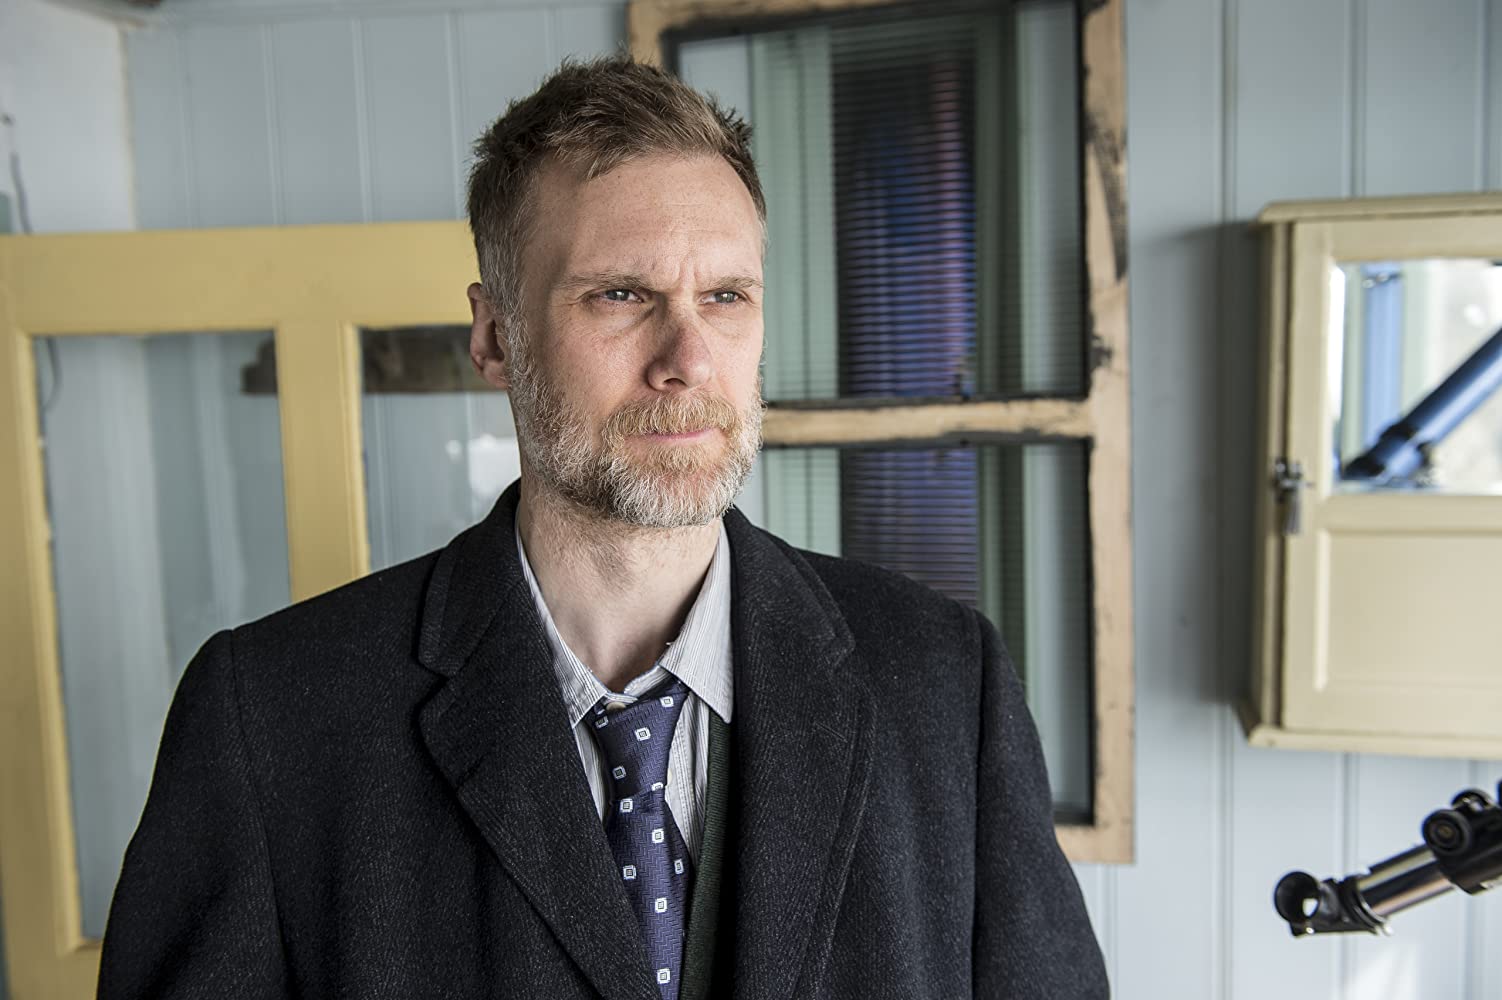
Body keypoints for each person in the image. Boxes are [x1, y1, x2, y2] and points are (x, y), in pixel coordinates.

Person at [97, 56, 1108, 1000]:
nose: (688, 358)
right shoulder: (270, 720)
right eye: (621, 294)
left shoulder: (944, 683)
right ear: (495, 334)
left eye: (726, 296)